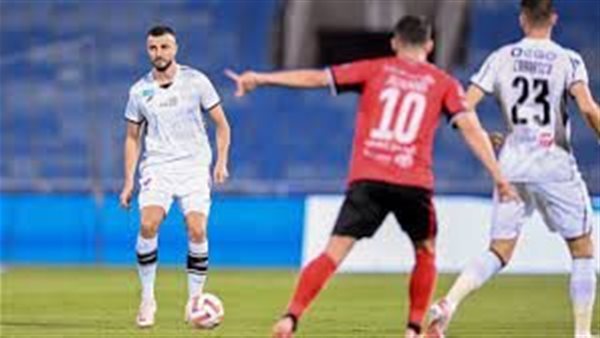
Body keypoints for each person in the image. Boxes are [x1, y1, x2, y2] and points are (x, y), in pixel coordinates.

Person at [227, 16, 517, 338]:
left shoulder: (375, 69)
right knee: (425, 250)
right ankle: (412, 329)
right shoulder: (444, 82)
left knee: (333, 252)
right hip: (414, 181)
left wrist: (262, 78)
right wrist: (499, 177)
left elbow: (316, 78)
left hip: (369, 177)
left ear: (394, 42)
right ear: (430, 45)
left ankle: (290, 318)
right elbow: (471, 128)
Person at [426, 1, 600, 337]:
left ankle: (449, 303)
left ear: (522, 19)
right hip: (554, 166)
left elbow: (461, 106)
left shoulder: (501, 57)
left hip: (511, 166)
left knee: (499, 250)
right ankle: (581, 333)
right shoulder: (568, 59)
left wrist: (479, 134)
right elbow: (589, 109)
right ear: (553, 19)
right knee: (582, 247)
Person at [119, 25, 231, 328]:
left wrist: (221, 161)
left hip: (194, 166)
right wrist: (129, 180)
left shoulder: (197, 82)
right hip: (158, 166)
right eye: (153, 48)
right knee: (148, 223)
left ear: (175, 48)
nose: (159, 53)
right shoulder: (139, 91)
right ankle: (147, 298)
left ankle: (195, 301)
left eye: (164, 47)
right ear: (148, 51)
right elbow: (132, 137)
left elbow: (222, 125)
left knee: (196, 229)